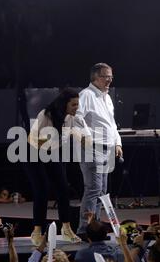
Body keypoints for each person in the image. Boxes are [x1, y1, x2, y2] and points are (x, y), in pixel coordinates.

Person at [26, 88, 88, 246]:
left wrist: (83, 139)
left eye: (77, 104)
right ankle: (37, 231)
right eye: (74, 104)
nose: (76, 107)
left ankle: (66, 229)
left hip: (53, 152)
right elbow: (31, 139)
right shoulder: (46, 114)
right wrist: (50, 140)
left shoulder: (70, 118)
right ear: (64, 104)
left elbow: (75, 133)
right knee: (42, 190)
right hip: (34, 152)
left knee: (63, 190)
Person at [75, 63, 123, 237]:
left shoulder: (107, 97)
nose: (109, 80)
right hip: (93, 148)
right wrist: (88, 138)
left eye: (111, 76)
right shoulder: (86, 95)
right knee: (93, 189)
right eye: (105, 76)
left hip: (107, 149)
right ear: (95, 77)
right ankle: (83, 229)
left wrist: (118, 143)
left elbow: (111, 124)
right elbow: (76, 117)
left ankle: (93, 229)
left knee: (101, 192)